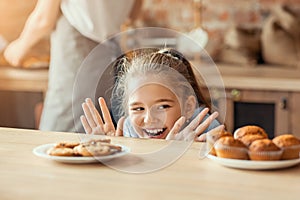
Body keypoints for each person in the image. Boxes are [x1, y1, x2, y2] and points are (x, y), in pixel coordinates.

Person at [4, 0, 137, 132]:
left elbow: (43, 19)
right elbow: (135, 12)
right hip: (109, 45)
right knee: (96, 130)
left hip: (77, 44)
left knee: (59, 131)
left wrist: (18, 48)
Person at [80, 48, 223, 141]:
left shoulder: (205, 128)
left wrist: (185, 153)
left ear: (188, 106)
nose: (149, 119)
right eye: (138, 109)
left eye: (162, 107)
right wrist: (111, 154)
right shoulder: (130, 128)